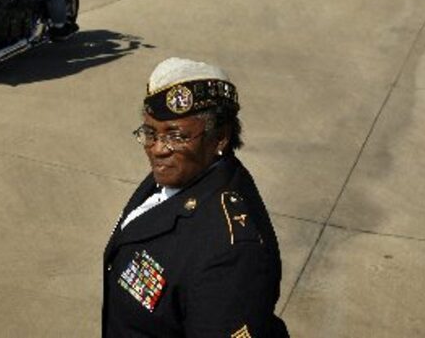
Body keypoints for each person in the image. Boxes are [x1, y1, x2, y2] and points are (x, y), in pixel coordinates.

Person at [102, 57, 289, 337]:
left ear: (221, 138)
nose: (157, 149)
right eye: (150, 133)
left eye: (176, 136)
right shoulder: (179, 172)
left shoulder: (230, 254)